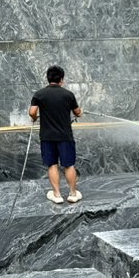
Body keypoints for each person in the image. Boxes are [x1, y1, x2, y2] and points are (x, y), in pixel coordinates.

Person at [29, 65, 83, 204]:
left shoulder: (39, 94)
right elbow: (77, 112)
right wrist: (80, 112)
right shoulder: (68, 95)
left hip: (47, 136)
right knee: (68, 165)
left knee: (52, 164)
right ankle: (73, 194)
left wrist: (34, 118)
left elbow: (32, 112)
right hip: (65, 136)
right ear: (61, 79)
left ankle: (57, 195)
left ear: (48, 78)